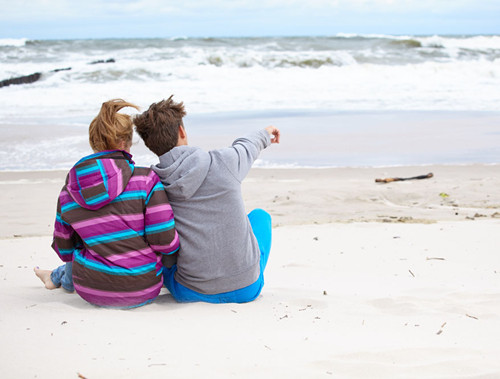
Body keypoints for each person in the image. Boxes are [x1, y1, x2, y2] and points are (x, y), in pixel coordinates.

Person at [134, 95, 280, 303]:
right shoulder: (225, 161)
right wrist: (266, 133)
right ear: (182, 131)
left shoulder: (153, 184)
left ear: (150, 145)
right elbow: (247, 146)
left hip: (190, 291)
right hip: (247, 288)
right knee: (260, 216)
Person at [34, 99, 179, 308]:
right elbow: (165, 242)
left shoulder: (69, 191)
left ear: (94, 142)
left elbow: (65, 251)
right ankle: (54, 277)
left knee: (87, 247)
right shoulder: (146, 179)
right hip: (143, 288)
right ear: (124, 144)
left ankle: (54, 278)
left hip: (90, 289)